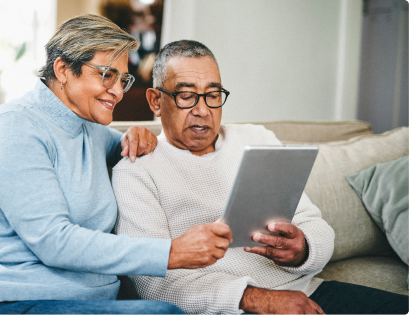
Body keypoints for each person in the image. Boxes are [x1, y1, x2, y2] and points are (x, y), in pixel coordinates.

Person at [0, 16, 233, 315]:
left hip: (83, 304)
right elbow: (54, 242)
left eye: (123, 79)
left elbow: (138, 151)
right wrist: (172, 252)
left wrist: (138, 136)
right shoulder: (14, 126)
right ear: (63, 70)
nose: (117, 91)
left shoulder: (93, 132)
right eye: (106, 75)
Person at [112, 39, 409, 315]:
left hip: (306, 292)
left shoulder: (255, 138)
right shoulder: (137, 169)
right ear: (155, 100)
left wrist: (303, 248)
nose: (203, 110)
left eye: (213, 95)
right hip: (231, 308)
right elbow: (153, 283)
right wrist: (260, 299)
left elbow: (317, 226)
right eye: (187, 96)